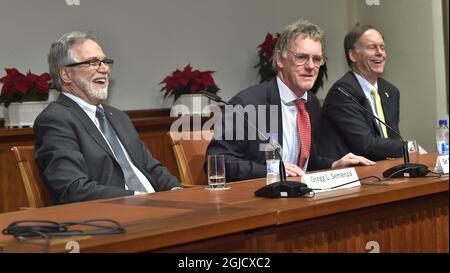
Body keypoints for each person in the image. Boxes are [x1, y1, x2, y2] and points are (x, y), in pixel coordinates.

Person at [205, 20, 374, 182]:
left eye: (316, 59)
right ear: (280, 59)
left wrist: (333, 165)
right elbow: (217, 160)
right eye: (301, 57)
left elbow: (305, 163)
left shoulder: (311, 104)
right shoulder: (247, 104)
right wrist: (271, 171)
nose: (310, 66)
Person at [34, 31, 181, 204]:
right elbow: (73, 188)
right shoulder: (56, 119)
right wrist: (137, 198)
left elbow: (151, 168)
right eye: (93, 63)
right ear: (66, 75)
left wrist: (176, 191)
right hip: (112, 217)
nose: (105, 69)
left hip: (157, 207)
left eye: (105, 62)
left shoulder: (118, 117)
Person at [318, 24, 403, 161]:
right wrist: (408, 147)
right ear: (353, 55)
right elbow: (365, 144)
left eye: (382, 47)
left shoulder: (390, 91)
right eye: (372, 47)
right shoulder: (342, 92)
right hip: (357, 173)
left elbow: (393, 138)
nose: (380, 53)